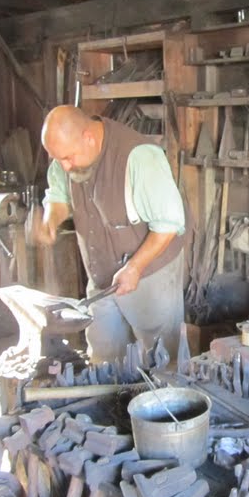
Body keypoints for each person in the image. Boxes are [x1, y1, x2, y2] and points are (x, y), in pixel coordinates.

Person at [34, 105, 186, 364]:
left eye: (68, 158)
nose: (65, 166)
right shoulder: (66, 158)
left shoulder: (140, 158)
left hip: (151, 272)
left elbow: (169, 225)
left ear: (88, 138)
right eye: (58, 159)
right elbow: (59, 195)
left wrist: (135, 267)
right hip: (101, 275)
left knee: (161, 358)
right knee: (104, 357)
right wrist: (51, 221)